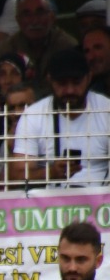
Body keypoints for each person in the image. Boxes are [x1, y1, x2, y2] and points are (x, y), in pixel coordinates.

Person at [10, 49, 110, 186]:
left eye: (76, 82)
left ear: (89, 78)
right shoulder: (33, 116)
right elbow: (17, 175)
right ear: (49, 80)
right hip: (52, 204)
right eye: (62, 83)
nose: (69, 90)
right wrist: (51, 173)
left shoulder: (106, 110)